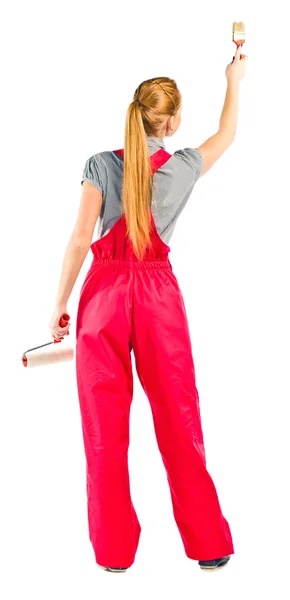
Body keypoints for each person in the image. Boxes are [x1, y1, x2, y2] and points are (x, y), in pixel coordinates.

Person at [49, 44, 247, 573]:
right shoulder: (183, 166)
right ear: (174, 120)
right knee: (180, 419)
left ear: (135, 114)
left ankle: (114, 555)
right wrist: (235, 78)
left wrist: (61, 303)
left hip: (103, 298)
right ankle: (210, 546)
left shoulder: (99, 164)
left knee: (103, 429)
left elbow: (76, 240)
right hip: (159, 301)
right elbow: (226, 134)